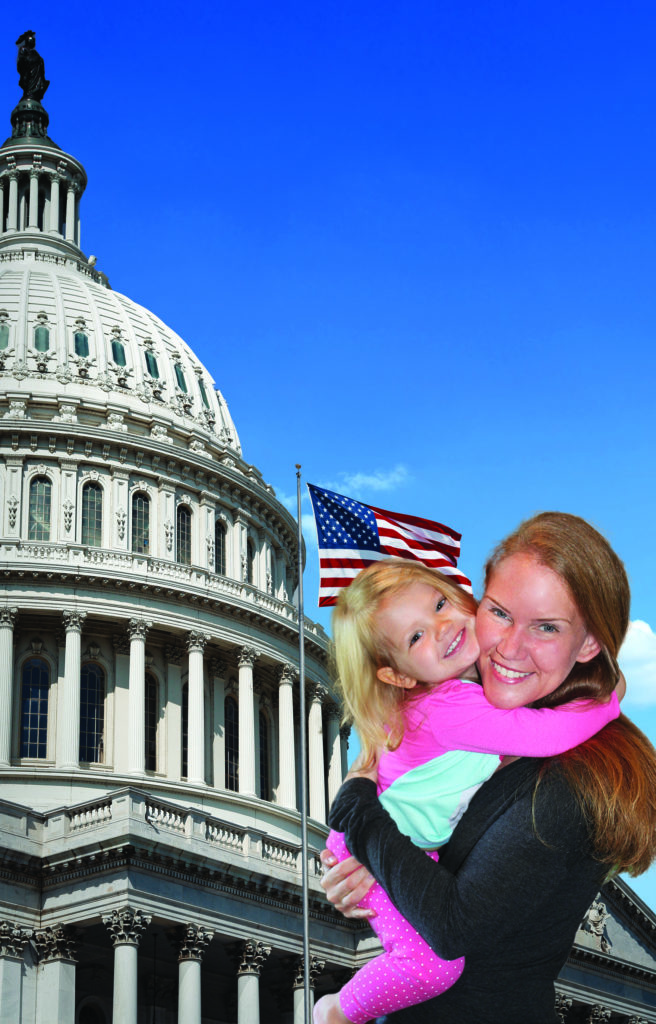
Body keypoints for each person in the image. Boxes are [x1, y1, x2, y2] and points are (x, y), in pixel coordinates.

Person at [319, 512, 656, 1024]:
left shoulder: (566, 784)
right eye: (499, 612)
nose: (509, 646)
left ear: (589, 645)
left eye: (546, 626)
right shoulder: (462, 710)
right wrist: (371, 870)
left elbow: (452, 925)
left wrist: (360, 815)